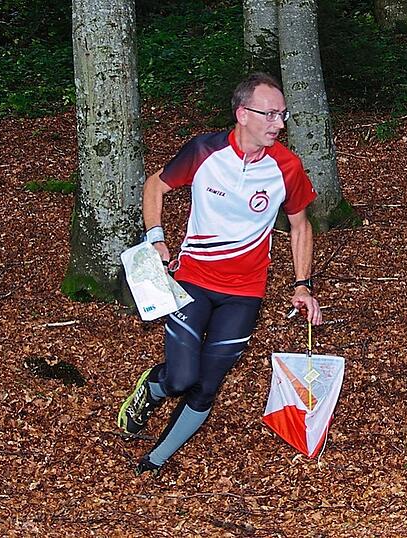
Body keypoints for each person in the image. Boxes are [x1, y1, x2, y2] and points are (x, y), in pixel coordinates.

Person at [118, 72, 322, 476]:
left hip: (245, 294)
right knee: (181, 378)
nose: (279, 124)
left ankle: (155, 460)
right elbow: (155, 186)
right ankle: (152, 389)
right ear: (242, 114)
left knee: (207, 384)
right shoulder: (205, 151)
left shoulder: (287, 166)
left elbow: (301, 225)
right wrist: (156, 238)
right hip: (193, 281)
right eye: (270, 114)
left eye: (282, 115)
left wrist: (302, 285)